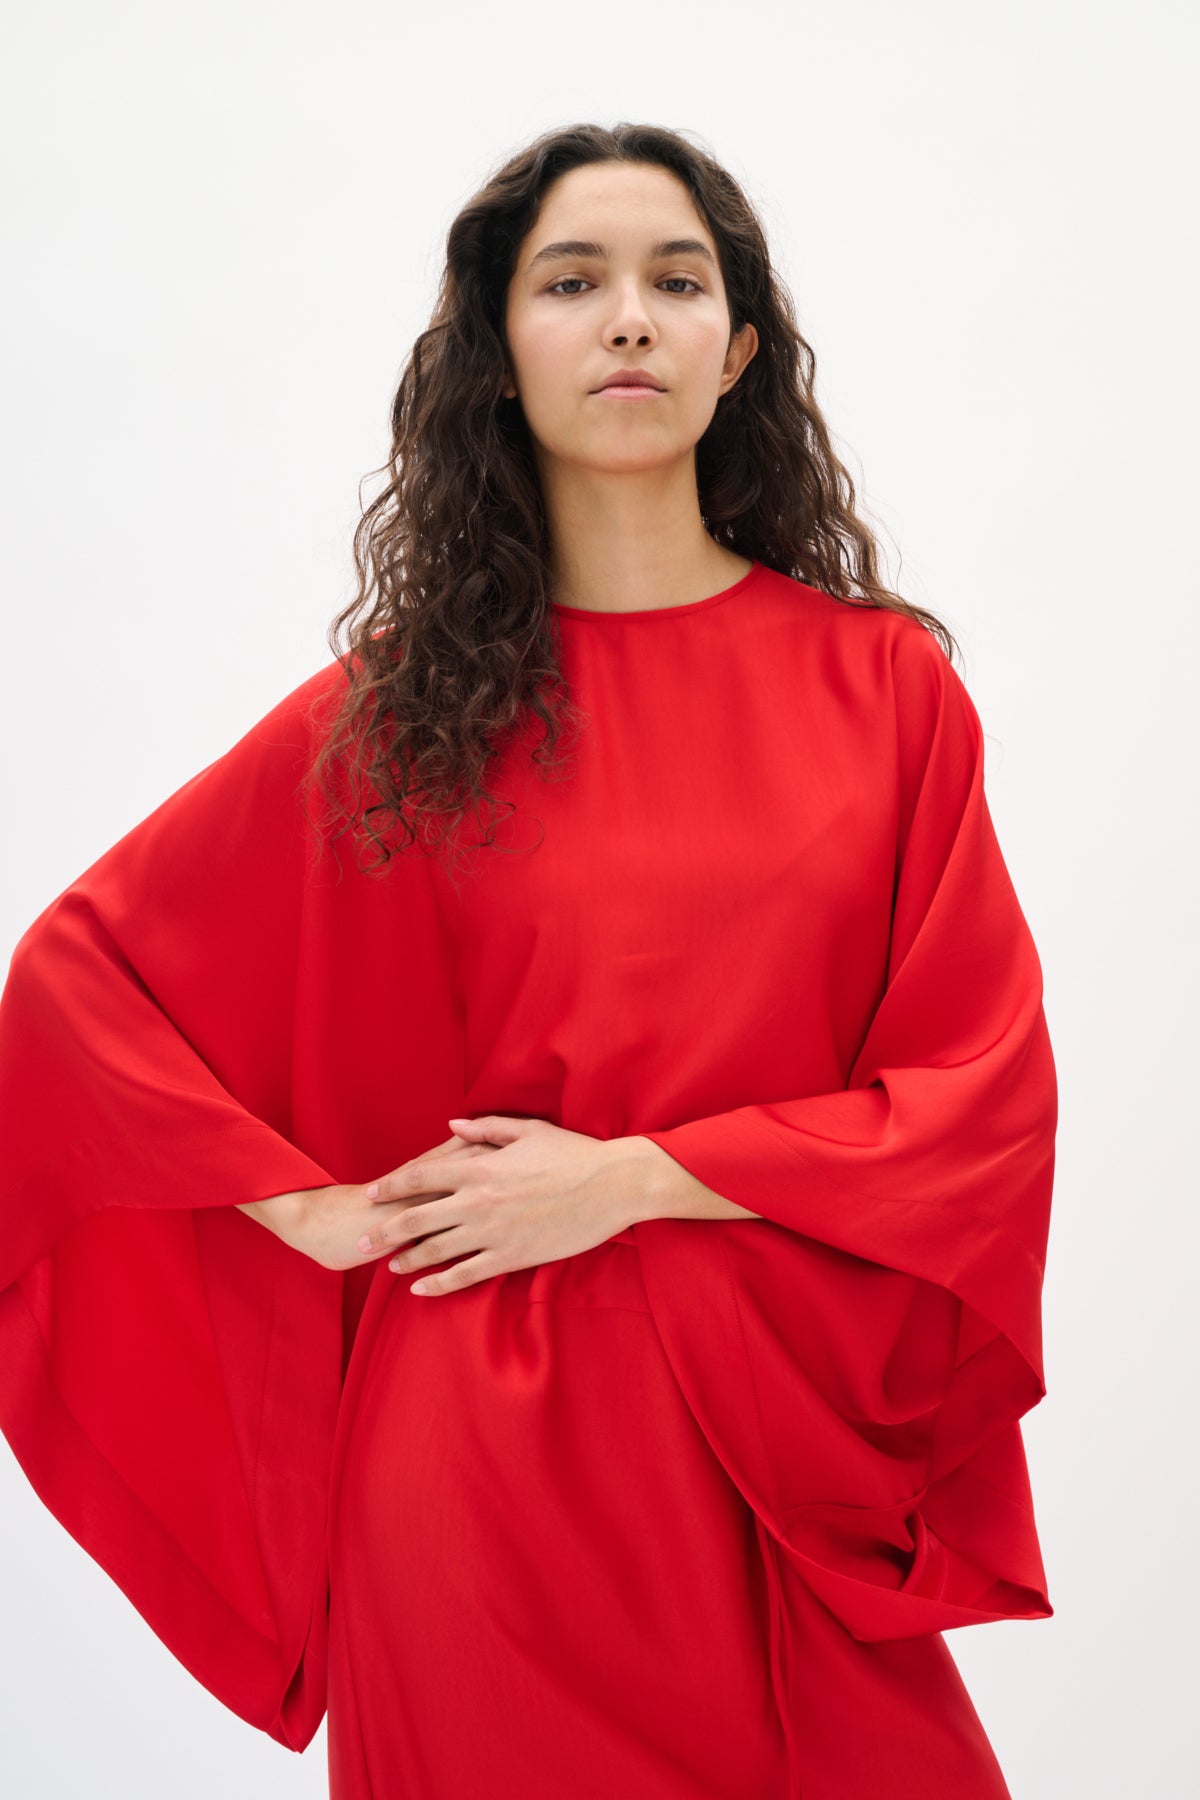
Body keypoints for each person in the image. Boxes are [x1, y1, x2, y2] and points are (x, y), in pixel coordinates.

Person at [0, 122, 1056, 1798]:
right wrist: (315, 1207)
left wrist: (635, 1175)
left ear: (741, 352)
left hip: (777, 1443)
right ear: (499, 354)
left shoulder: (886, 694)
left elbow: (976, 1105)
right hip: (476, 1459)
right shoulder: (405, 712)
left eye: (676, 278)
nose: (629, 316)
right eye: (573, 282)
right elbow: (74, 990)